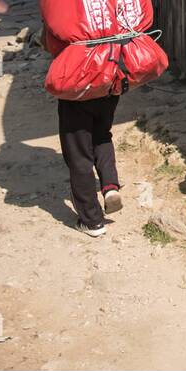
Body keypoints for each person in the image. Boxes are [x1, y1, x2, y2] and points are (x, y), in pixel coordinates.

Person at [43, 28, 124, 237]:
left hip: (77, 84)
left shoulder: (65, 5)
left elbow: (50, 43)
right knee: (102, 135)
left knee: (78, 153)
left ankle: (92, 221)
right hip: (110, 77)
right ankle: (110, 186)